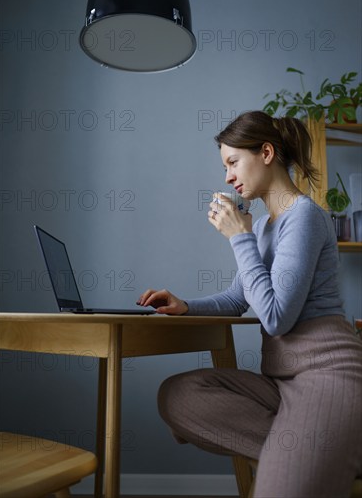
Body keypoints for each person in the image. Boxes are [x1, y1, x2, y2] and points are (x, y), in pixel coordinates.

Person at [137, 111, 362, 498]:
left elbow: (275, 318)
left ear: (267, 153)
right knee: (177, 396)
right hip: (281, 383)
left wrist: (238, 239)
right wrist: (185, 305)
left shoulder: (304, 216)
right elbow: (238, 299)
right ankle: (329, 450)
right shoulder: (263, 227)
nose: (227, 176)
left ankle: (331, 447)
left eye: (232, 162)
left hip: (328, 376)